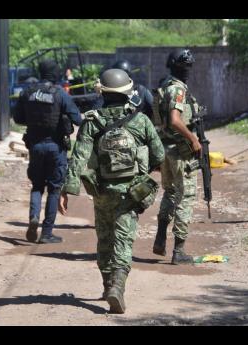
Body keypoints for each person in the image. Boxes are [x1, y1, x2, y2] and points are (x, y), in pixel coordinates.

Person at [59, 68, 164, 313]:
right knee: (123, 240)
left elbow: (78, 158)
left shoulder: (91, 121)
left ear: (102, 92)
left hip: (102, 191)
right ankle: (118, 286)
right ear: (128, 91)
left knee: (105, 239)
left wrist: (67, 190)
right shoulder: (140, 120)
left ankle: (107, 285)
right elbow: (159, 154)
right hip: (131, 192)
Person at [13, 59, 82, 243]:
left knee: (37, 186)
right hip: (55, 147)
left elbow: (18, 118)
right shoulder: (60, 94)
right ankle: (46, 233)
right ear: (55, 73)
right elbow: (77, 119)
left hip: (35, 145)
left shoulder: (27, 92)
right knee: (54, 189)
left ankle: (33, 217)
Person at [152, 48, 203, 265]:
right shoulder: (177, 90)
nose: (188, 71)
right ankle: (179, 250)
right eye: (185, 67)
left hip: (165, 148)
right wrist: (193, 138)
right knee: (186, 196)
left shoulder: (163, 86)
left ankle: (161, 238)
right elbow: (174, 120)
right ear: (177, 67)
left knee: (171, 192)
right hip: (180, 150)